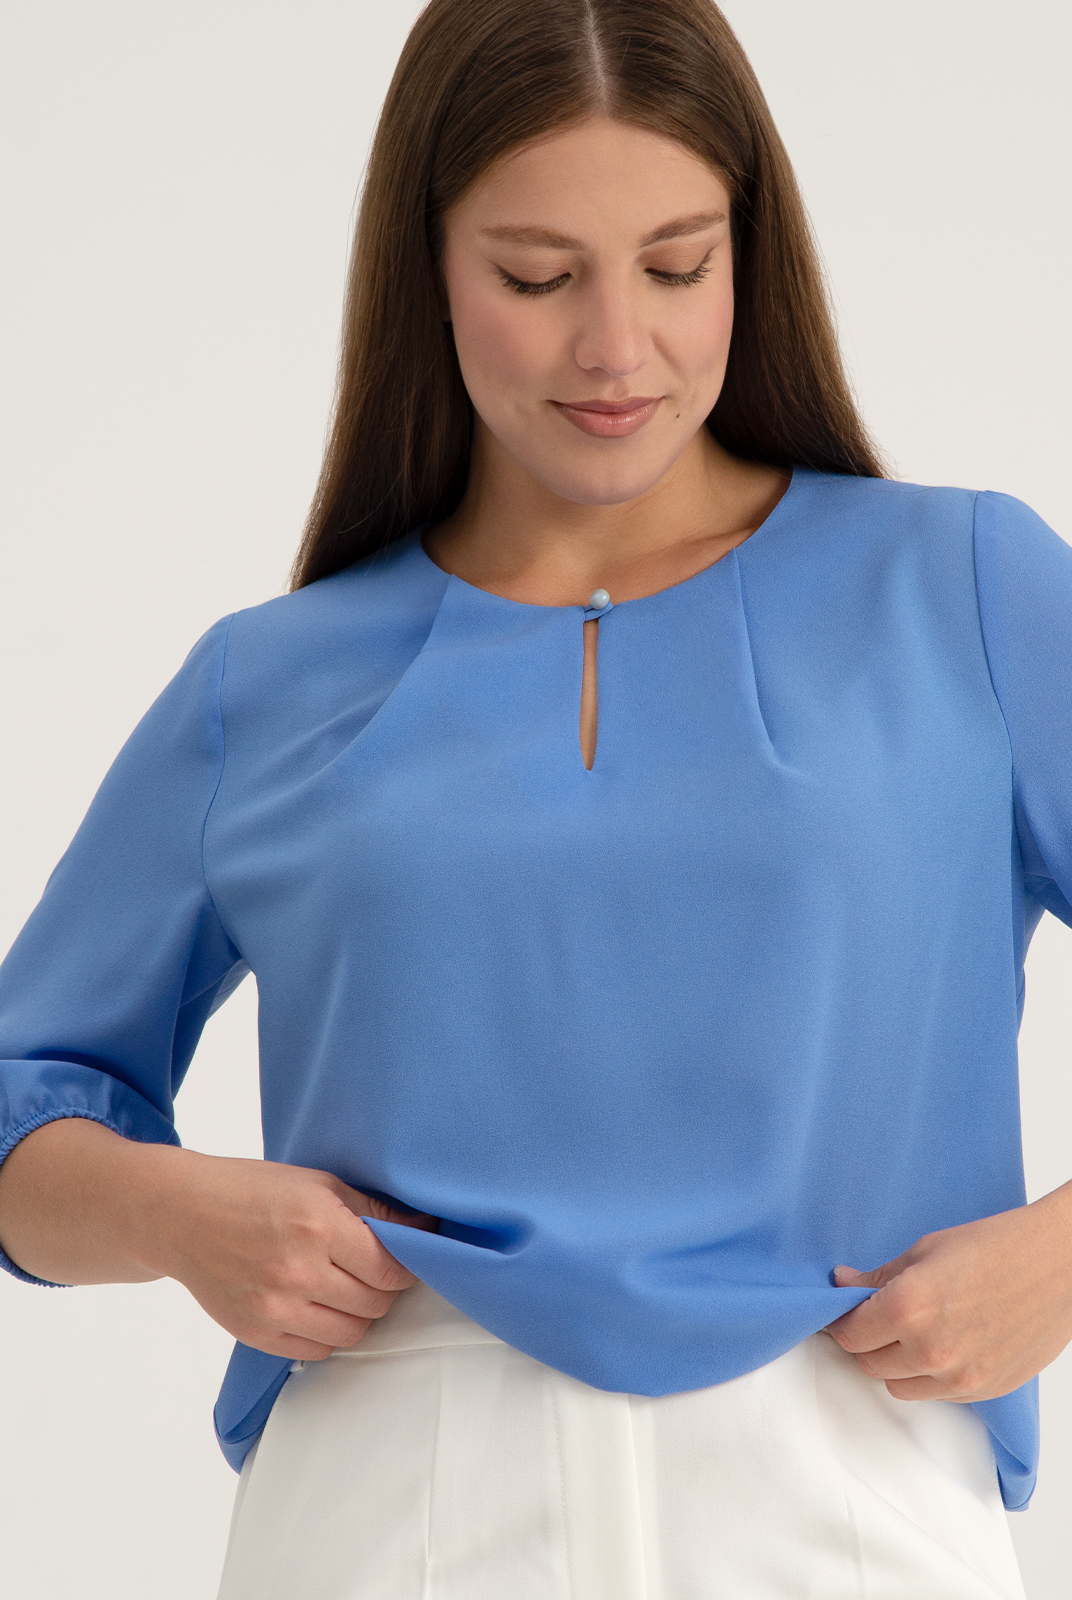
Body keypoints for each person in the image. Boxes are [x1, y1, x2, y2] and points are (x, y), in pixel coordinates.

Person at [0, 0, 1068, 1593]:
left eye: (678, 265)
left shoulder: (966, 591)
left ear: (750, 255)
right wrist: (176, 1215)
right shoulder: (269, 682)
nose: (617, 348)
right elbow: (23, 1100)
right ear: (426, 268)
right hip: (390, 1503)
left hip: (850, 1485)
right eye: (537, 275)